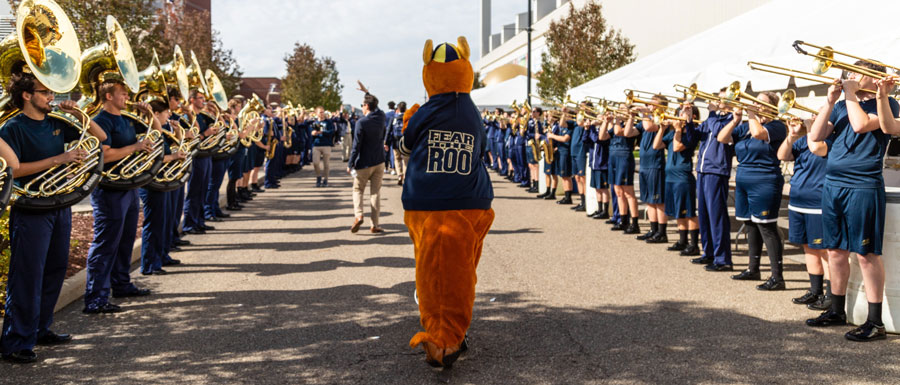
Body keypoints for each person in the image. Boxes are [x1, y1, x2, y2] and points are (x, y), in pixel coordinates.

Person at [401, 37, 494, 368]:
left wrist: (411, 119)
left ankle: (444, 339)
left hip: (428, 197)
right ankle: (454, 332)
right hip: (472, 199)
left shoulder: (427, 111)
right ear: (466, 71)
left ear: (429, 74)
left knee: (431, 272)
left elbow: (406, 145)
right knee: (461, 269)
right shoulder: (472, 112)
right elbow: (480, 149)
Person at [0, 70, 97, 364]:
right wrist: (60, 159)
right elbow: (13, 170)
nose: (52, 97)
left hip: (59, 204)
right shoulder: (11, 128)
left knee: (55, 268)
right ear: (27, 96)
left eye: (52, 92)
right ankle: (16, 341)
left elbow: (99, 136)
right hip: (31, 209)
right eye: (45, 92)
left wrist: (79, 114)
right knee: (27, 275)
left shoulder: (57, 122)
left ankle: (41, 328)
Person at [804, 63, 900, 342]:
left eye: (858, 74)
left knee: (866, 253)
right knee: (834, 250)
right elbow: (816, 135)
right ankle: (836, 309)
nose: (852, 78)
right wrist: (830, 100)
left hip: (863, 184)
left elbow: (860, 125)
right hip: (833, 184)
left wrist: (849, 94)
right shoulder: (842, 103)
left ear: (874, 78)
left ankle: (875, 321)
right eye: (851, 73)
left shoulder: (888, 103)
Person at [84, 79, 156, 314]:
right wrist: (135, 148)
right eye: (123, 94)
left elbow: (155, 133)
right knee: (106, 243)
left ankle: (121, 284)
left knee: (125, 240)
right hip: (109, 190)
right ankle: (96, 297)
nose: (127, 97)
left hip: (129, 187)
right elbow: (105, 154)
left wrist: (150, 113)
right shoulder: (100, 121)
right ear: (108, 97)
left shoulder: (126, 119)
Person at [718, 92, 788, 289]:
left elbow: (759, 134)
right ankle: (753, 268)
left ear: (772, 107)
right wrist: (735, 120)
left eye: (760, 102)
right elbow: (722, 138)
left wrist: (750, 113)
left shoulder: (776, 126)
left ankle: (777, 277)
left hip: (765, 179)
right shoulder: (747, 126)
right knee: (750, 224)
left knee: (767, 226)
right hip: (744, 179)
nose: (755, 105)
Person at [777, 117, 831, 309]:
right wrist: (791, 135)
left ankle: (830, 295)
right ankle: (815, 291)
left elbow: (817, 148)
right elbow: (782, 155)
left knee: (824, 250)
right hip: (798, 200)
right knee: (808, 247)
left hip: (818, 202)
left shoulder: (830, 140)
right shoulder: (802, 141)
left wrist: (810, 128)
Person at [138, 100, 186, 276]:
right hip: (152, 183)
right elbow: (150, 159)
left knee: (164, 221)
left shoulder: (164, 131)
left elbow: (179, 146)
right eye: (166, 113)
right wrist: (173, 157)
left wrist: (179, 131)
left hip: (164, 181)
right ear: (156, 115)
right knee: (154, 223)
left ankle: (162, 255)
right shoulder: (147, 131)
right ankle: (150, 263)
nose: (169, 116)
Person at [693, 89, 735, 271]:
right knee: (703, 214)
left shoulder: (730, 119)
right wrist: (686, 120)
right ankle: (708, 252)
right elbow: (695, 135)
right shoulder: (714, 118)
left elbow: (718, 132)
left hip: (716, 170)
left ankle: (723, 258)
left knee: (716, 216)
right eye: (718, 98)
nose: (718, 101)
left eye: (722, 98)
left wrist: (711, 113)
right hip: (703, 170)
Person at [652, 104, 701, 255]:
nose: (679, 115)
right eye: (680, 112)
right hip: (671, 177)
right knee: (678, 211)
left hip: (683, 177)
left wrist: (678, 129)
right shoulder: (674, 132)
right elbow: (656, 145)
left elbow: (677, 147)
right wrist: (661, 128)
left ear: (693, 117)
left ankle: (694, 245)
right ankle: (682, 241)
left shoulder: (692, 133)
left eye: (685, 112)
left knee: (689, 211)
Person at [348, 82, 386, 234]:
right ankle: (375, 224)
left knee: (357, 190)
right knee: (375, 193)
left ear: (365, 106)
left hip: (364, 163)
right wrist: (366, 91)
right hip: (379, 160)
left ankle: (358, 215)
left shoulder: (361, 123)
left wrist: (350, 163)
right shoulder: (381, 116)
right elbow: (376, 105)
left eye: (362, 105)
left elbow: (356, 146)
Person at [182, 88, 217, 235]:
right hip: (195, 157)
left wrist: (217, 112)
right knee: (194, 191)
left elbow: (219, 124)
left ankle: (200, 221)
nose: (204, 100)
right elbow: (189, 138)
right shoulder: (185, 117)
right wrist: (205, 134)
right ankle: (189, 224)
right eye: (201, 98)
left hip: (206, 156)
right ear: (192, 100)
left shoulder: (203, 116)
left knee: (202, 191)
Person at [636, 97, 667, 242]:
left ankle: (662, 232)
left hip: (655, 164)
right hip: (645, 164)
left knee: (658, 200)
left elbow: (649, 127)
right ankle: (653, 229)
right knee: (649, 199)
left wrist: (645, 113)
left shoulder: (661, 119)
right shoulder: (648, 119)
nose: (650, 106)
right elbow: (629, 132)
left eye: (653, 104)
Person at [608, 106, 641, 234]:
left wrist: (620, 120)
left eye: (623, 109)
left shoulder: (634, 124)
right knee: (618, 191)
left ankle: (635, 223)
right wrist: (607, 121)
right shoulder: (618, 123)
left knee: (628, 192)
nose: (619, 110)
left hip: (624, 156)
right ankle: (623, 220)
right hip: (613, 156)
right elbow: (603, 135)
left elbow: (619, 132)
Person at [582, 116, 610, 219]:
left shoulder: (605, 131)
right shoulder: (594, 130)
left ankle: (605, 211)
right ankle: (599, 209)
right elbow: (585, 140)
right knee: (597, 188)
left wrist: (592, 127)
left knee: (603, 188)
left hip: (602, 163)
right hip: (594, 163)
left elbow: (596, 139)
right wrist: (586, 129)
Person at [311, 106, 335, 187]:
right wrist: (313, 133)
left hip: (326, 144)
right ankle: (318, 177)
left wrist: (322, 132)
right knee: (315, 162)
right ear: (316, 113)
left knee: (326, 164)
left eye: (323, 112)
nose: (322, 114)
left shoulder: (328, 122)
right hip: (316, 144)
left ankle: (326, 180)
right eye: (320, 112)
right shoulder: (314, 122)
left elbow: (332, 132)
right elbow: (311, 132)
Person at [569, 111, 587, 211]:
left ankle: (585, 203)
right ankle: (582, 201)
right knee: (577, 178)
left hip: (581, 152)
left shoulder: (584, 122)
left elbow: (581, 123)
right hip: (574, 152)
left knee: (582, 178)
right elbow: (562, 123)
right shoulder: (574, 123)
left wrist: (581, 115)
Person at [386, 102, 407, 185]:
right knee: (405, 161)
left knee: (397, 159)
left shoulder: (393, 118)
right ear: (405, 108)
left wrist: (386, 142)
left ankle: (399, 175)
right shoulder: (407, 117)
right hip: (405, 142)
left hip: (395, 142)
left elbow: (388, 131)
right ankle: (405, 176)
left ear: (397, 109)